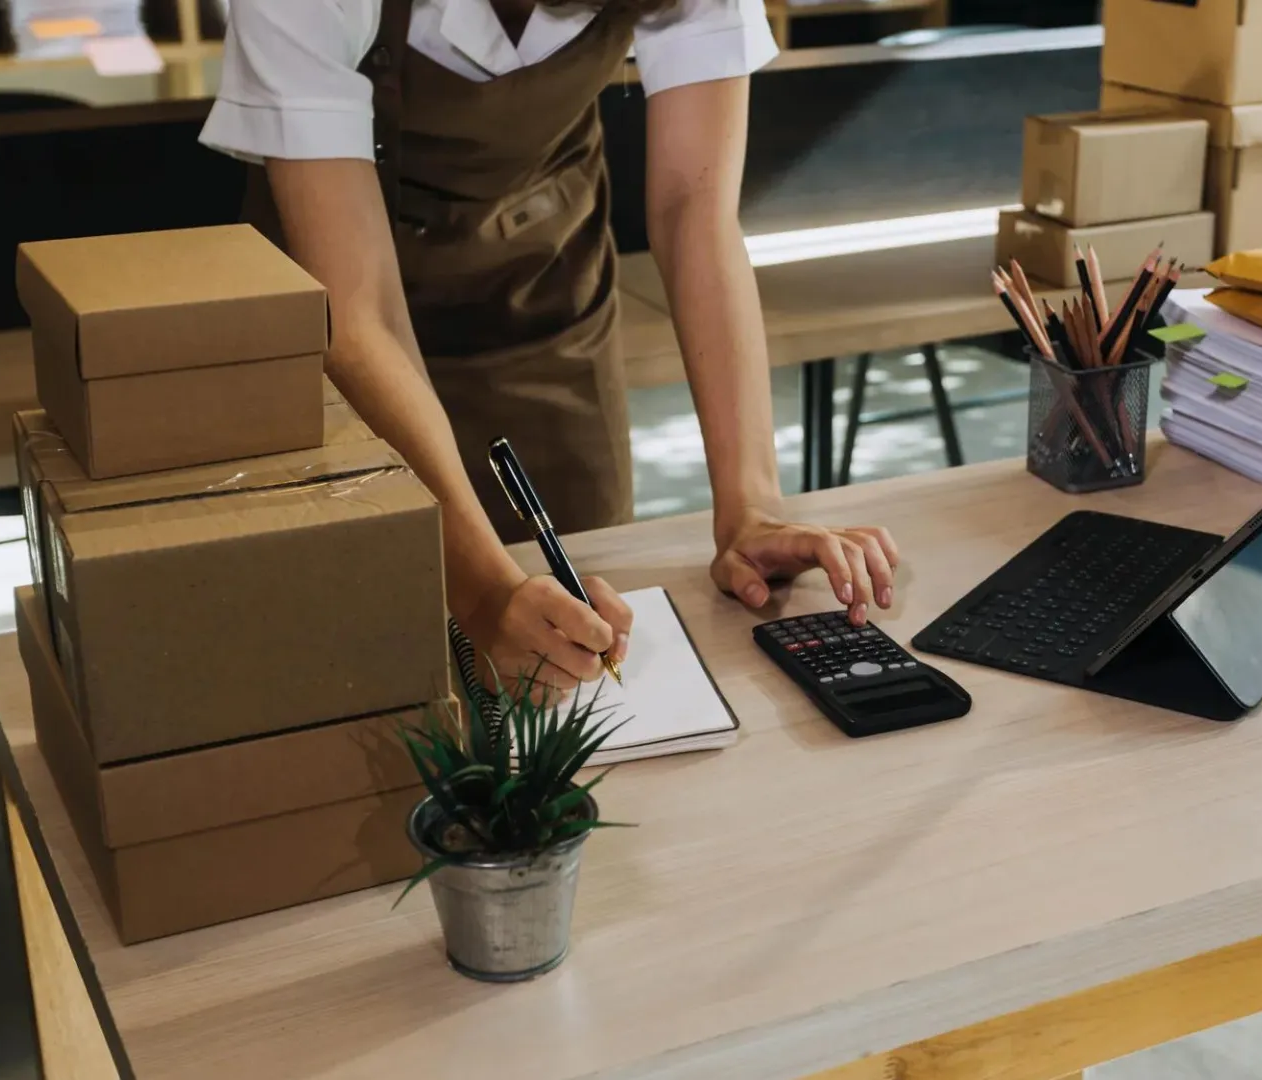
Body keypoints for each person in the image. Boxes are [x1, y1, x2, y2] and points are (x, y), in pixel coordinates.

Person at [202, 0, 900, 694]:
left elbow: (696, 210)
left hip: (545, 317)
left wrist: (750, 506)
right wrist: (481, 593)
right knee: (348, 672)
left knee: (571, 662)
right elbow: (361, 319)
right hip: (330, 348)